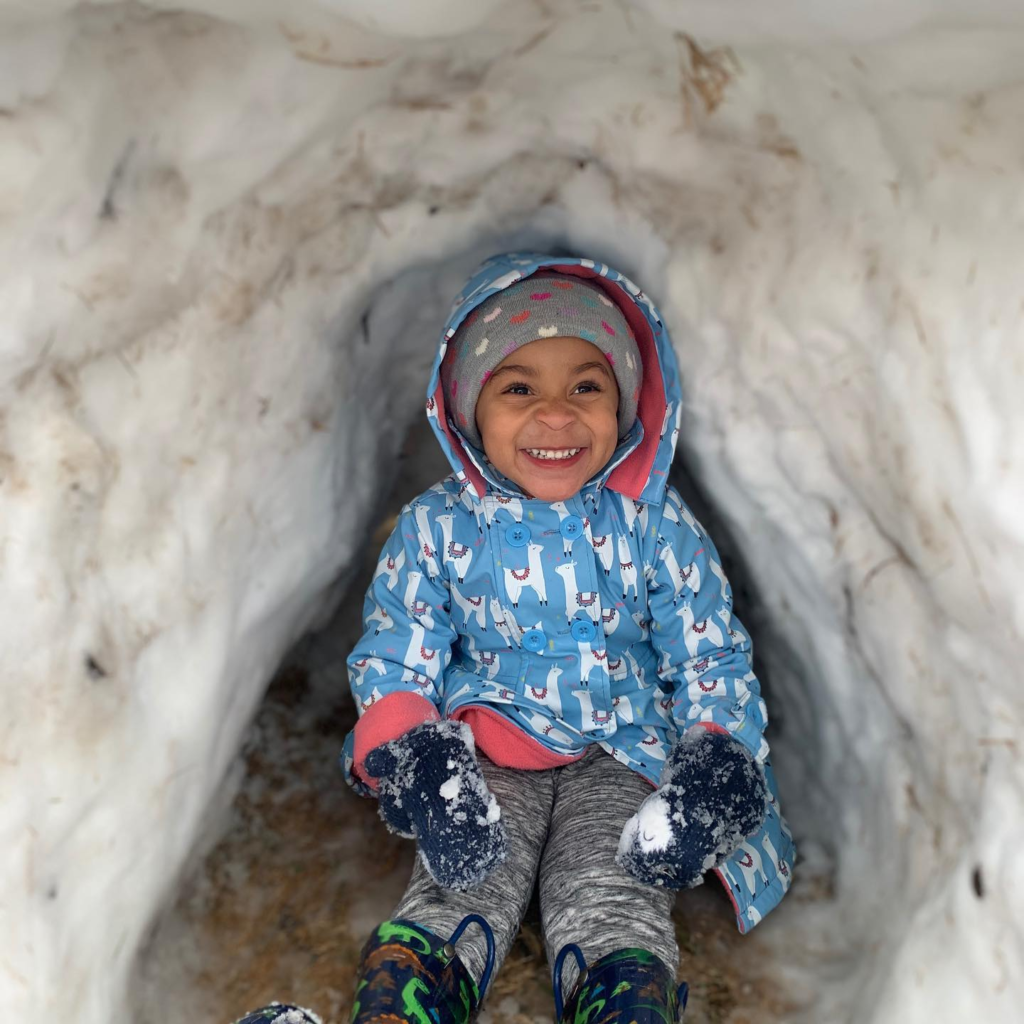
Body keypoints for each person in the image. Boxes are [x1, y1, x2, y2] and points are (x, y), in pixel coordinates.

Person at [236, 252, 795, 1024]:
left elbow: (709, 653)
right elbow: (398, 652)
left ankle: (622, 1001)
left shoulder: (655, 525)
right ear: (468, 410)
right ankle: (400, 1008)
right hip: (492, 748)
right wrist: (421, 757)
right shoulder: (436, 529)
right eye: (520, 387)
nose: (557, 413)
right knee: (457, 889)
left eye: (586, 387)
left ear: (628, 407)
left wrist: (716, 761)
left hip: (621, 752)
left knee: (611, 893)